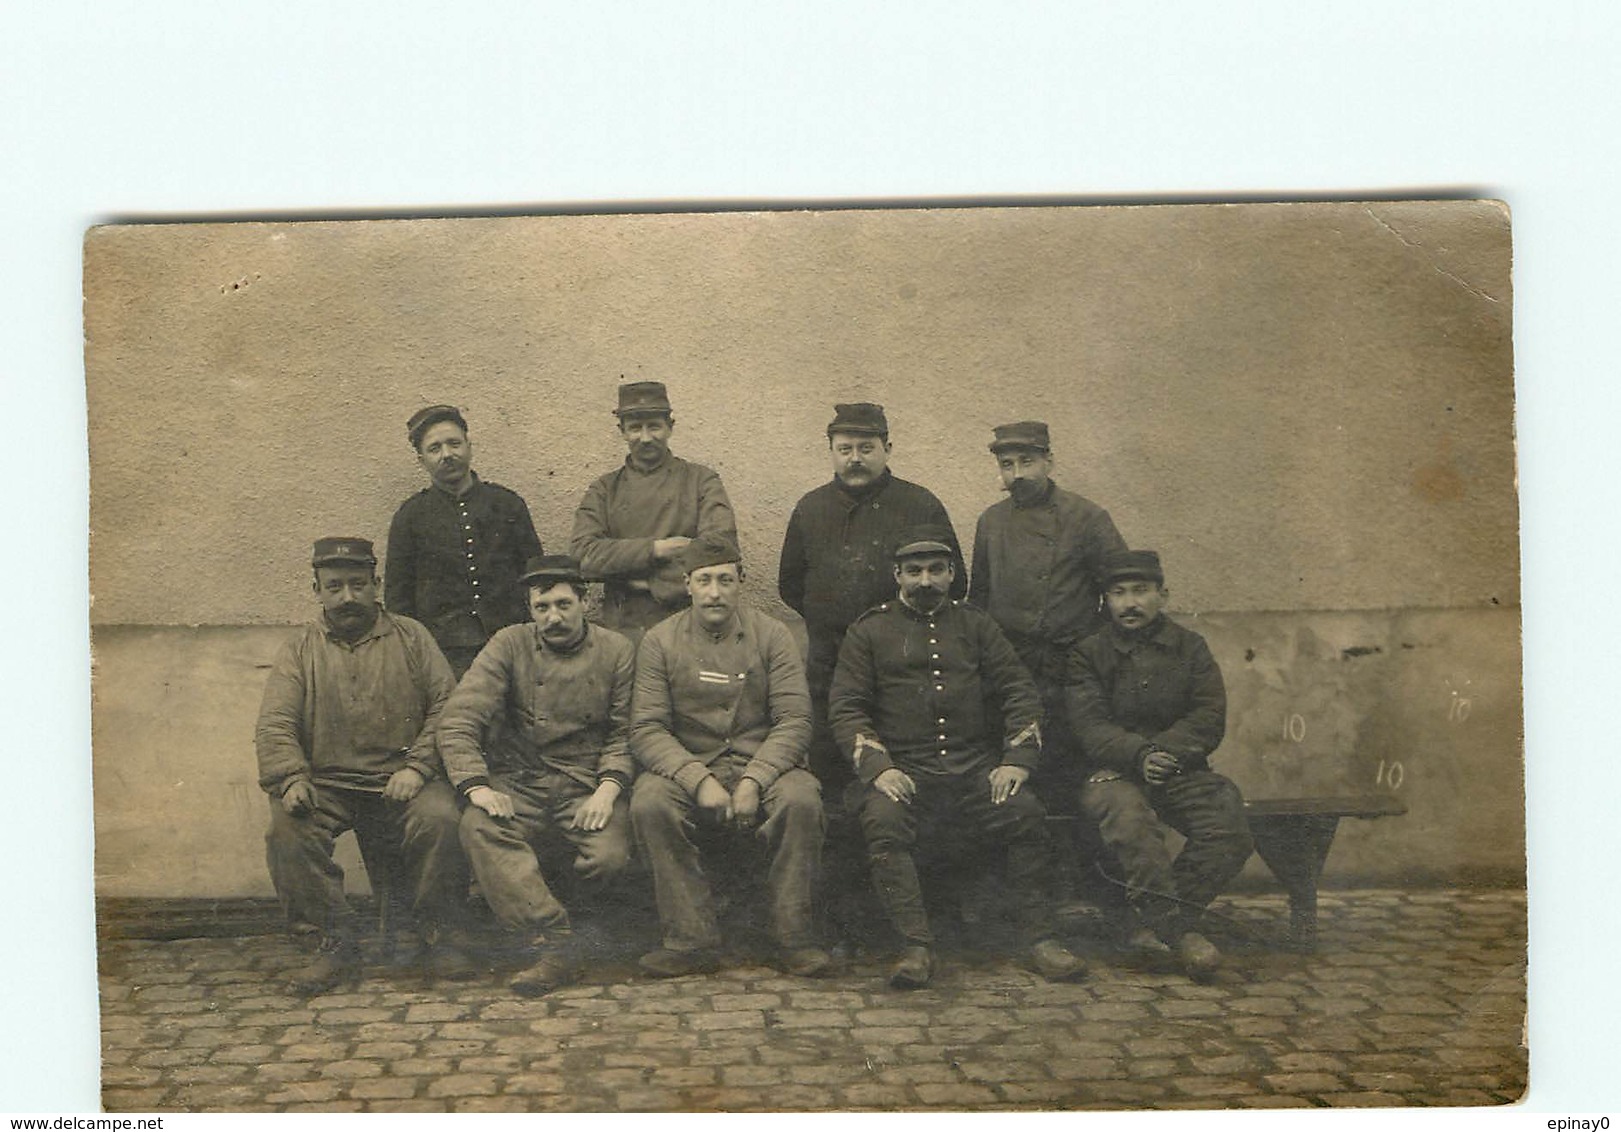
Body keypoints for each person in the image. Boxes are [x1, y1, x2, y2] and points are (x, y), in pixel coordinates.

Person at [828, 526, 1088, 989]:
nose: (924, 582)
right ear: (897, 576)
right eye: (913, 572)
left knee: (1025, 812)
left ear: (951, 575)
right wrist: (879, 768)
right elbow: (847, 707)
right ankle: (915, 946)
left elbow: (1018, 691)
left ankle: (1039, 939)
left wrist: (1016, 761)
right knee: (883, 821)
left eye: (935, 571)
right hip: (904, 773)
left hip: (974, 772)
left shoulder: (977, 625)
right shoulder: (869, 630)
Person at [255, 538, 472, 993]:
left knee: (442, 819)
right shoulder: (299, 649)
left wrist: (416, 767)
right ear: (316, 589)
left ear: (377, 585)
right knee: (287, 831)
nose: (347, 597)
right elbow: (275, 721)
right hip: (327, 784)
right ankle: (333, 942)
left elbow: (447, 706)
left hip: (404, 778)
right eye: (334, 586)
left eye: (358, 584)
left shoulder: (412, 637)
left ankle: (440, 933)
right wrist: (291, 777)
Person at [627, 533, 830, 978]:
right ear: (688, 585)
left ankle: (792, 937)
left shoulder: (773, 635)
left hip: (766, 765)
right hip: (691, 765)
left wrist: (756, 779)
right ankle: (689, 939)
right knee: (649, 801)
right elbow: (646, 728)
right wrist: (697, 779)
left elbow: (795, 719)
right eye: (704, 580)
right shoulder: (660, 641)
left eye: (725, 580)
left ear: (741, 581)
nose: (715, 592)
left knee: (801, 799)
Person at [435, 555, 638, 996]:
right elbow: (458, 718)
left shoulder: (616, 651)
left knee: (609, 855)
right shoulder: (508, 644)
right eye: (541, 607)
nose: (553, 617)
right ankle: (553, 940)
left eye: (564, 604)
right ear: (529, 609)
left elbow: (626, 733)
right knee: (479, 826)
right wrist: (477, 785)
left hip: (586, 781)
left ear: (585, 602)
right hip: (520, 779)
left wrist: (608, 789)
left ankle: (589, 933)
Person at [1064, 550, 1253, 979]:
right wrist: (1138, 755)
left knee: (1228, 824)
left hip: (1178, 769)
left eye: (1141, 591)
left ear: (1162, 595)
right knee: (1131, 823)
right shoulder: (1088, 653)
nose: (1130, 603)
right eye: (1118, 593)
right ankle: (1179, 932)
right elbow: (1089, 722)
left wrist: (1164, 754)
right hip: (1111, 773)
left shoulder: (1190, 647)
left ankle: (1149, 925)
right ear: (1105, 601)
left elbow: (1208, 715)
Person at [777, 402, 967, 794]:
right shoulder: (811, 508)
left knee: (902, 763)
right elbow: (790, 584)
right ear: (831, 451)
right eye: (845, 449)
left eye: (866, 449)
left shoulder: (920, 505)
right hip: (830, 659)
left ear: (888, 449)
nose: (855, 459)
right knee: (832, 758)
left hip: (902, 660)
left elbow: (955, 582)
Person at [385, 405, 544, 678]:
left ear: (469, 446)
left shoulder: (507, 505)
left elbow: (537, 577)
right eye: (435, 449)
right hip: (444, 654)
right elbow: (398, 600)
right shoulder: (410, 516)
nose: (447, 455)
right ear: (421, 460)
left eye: (454, 443)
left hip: (511, 646)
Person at [572, 381, 737, 642]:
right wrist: (657, 549)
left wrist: (647, 583)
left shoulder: (701, 481)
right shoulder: (604, 489)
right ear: (622, 431)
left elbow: (719, 549)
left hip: (688, 624)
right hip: (621, 626)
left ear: (670, 427)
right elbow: (582, 556)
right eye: (635, 428)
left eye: (654, 426)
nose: (646, 437)